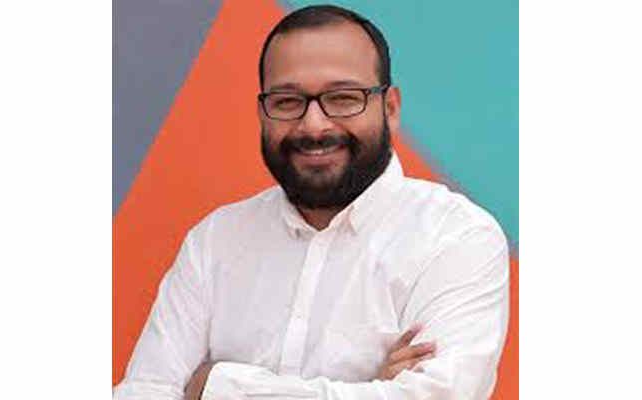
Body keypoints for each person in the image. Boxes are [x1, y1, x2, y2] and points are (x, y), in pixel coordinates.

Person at [113, 4, 509, 400]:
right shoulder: (215, 240)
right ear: (262, 113)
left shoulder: (455, 237)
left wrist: (216, 387)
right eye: (287, 101)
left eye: (343, 98)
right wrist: (372, 390)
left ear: (389, 109)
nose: (314, 125)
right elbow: (143, 392)